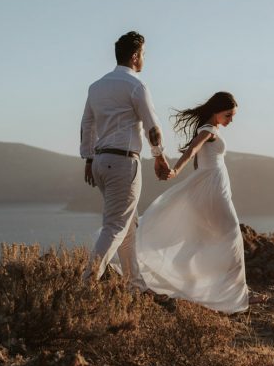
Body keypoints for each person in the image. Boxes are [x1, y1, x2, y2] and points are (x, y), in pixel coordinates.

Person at [136, 91, 263, 314]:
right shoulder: (208, 130)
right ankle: (236, 294)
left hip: (212, 188)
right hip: (211, 190)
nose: (231, 120)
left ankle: (211, 287)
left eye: (232, 116)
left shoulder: (213, 129)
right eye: (228, 115)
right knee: (231, 234)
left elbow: (198, 160)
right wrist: (175, 170)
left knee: (205, 237)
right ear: (216, 111)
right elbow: (193, 150)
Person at [80, 31, 173, 285]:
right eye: (143, 54)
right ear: (135, 56)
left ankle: (135, 285)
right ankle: (87, 282)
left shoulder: (96, 87)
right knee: (116, 226)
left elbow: (87, 125)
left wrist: (88, 158)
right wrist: (159, 156)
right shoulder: (136, 86)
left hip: (100, 162)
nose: (144, 59)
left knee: (128, 226)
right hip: (123, 162)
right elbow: (153, 126)